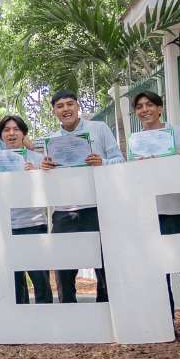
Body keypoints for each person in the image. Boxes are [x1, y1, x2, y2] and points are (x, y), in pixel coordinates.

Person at [131, 91, 180, 339]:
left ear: (160, 108)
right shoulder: (135, 142)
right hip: (152, 212)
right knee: (159, 269)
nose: (145, 109)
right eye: (140, 106)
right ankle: (166, 320)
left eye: (150, 105)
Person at [41, 91, 123, 303]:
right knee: (64, 269)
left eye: (70, 104)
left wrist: (102, 163)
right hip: (64, 211)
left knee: (104, 265)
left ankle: (106, 312)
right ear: (54, 112)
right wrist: (46, 168)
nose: (65, 109)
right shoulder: (52, 140)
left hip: (97, 206)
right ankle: (70, 314)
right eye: (60, 106)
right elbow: (46, 181)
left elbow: (119, 160)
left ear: (78, 107)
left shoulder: (99, 129)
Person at [0, 116, 53, 304]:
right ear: (1, 136)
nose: (11, 133)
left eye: (16, 129)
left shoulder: (38, 159)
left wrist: (35, 174)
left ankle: (47, 323)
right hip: (5, 225)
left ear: (23, 133)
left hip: (33, 224)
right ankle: (20, 325)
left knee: (39, 276)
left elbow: (50, 189)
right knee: (13, 280)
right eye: (6, 130)